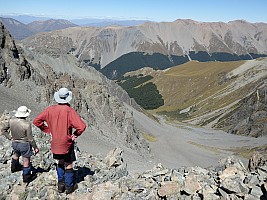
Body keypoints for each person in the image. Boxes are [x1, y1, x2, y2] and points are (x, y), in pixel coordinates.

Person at [33, 87, 86, 194]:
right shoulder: (69, 111)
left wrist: (47, 129)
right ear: (67, 98)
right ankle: (69, 187)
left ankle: (60, 185)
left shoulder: (49, 110)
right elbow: (82, 126)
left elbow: (36, 121)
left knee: (60, 162)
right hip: (66, 143)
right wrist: (75, 134)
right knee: (68, 164)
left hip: (55, 143)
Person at [1, 106, 39, 183]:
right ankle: (26, 177)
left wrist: (9, 137)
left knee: (16, 154)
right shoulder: (27, 124)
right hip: (24, 144)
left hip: (15, 143)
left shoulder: (11, 121)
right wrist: (35, 147)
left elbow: (3, 129)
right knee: (26, 159)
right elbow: (30, 138)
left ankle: (14, 167)